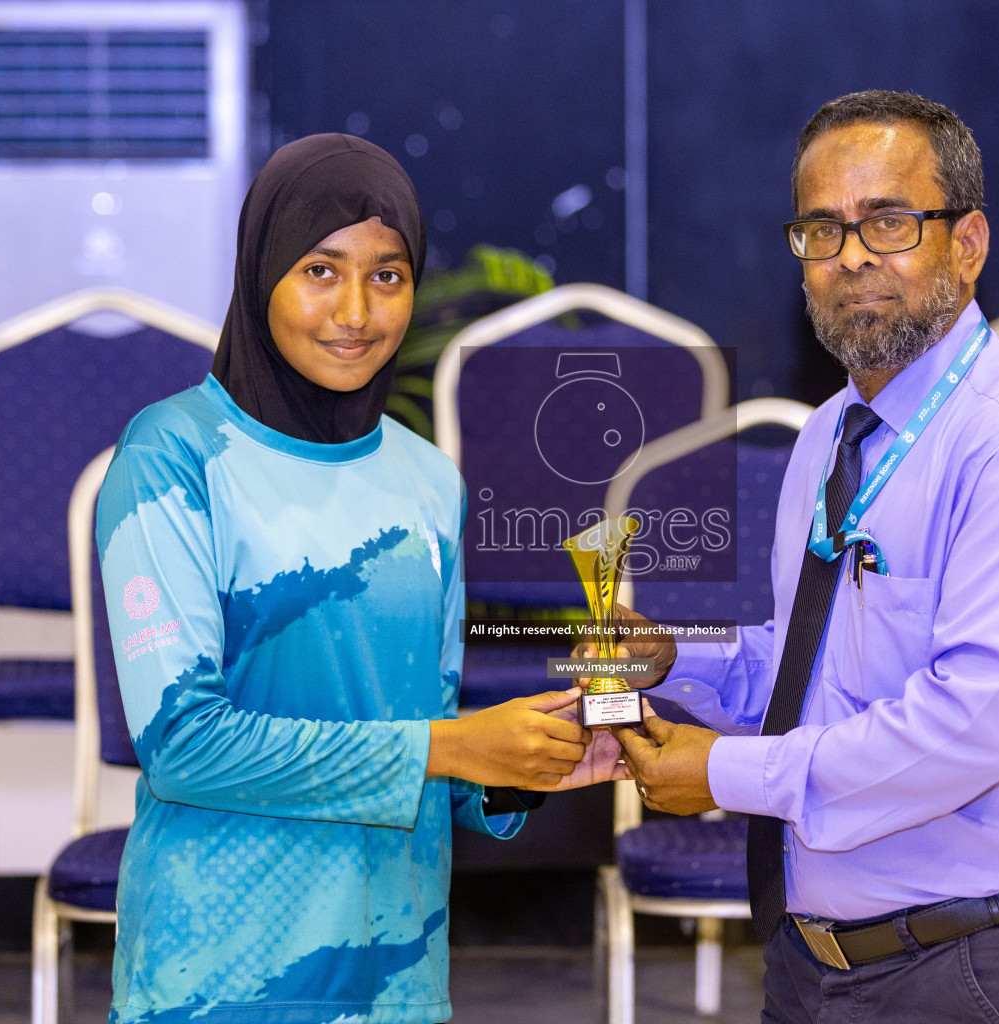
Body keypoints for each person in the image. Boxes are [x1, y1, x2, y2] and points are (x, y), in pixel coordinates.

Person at [610, 91, 999, 1023]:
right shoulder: (831, 435)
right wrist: (677, 662)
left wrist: (727, 773)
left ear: (966, 244)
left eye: (888, 222)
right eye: (821, 229)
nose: (851, 255)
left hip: (987, 964)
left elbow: (976, 724)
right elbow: (820, 664)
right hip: (815, 965)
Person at [96, 134, 622, 1024]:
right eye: (319, 270)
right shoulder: (172, 457)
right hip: (219, 978)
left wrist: (519, 765)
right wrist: (449, 747)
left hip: (396, 976)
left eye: (388, 276)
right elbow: (183, 746)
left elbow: (430, 733)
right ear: (262, 272)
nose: (355, 311)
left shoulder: (427, 480)